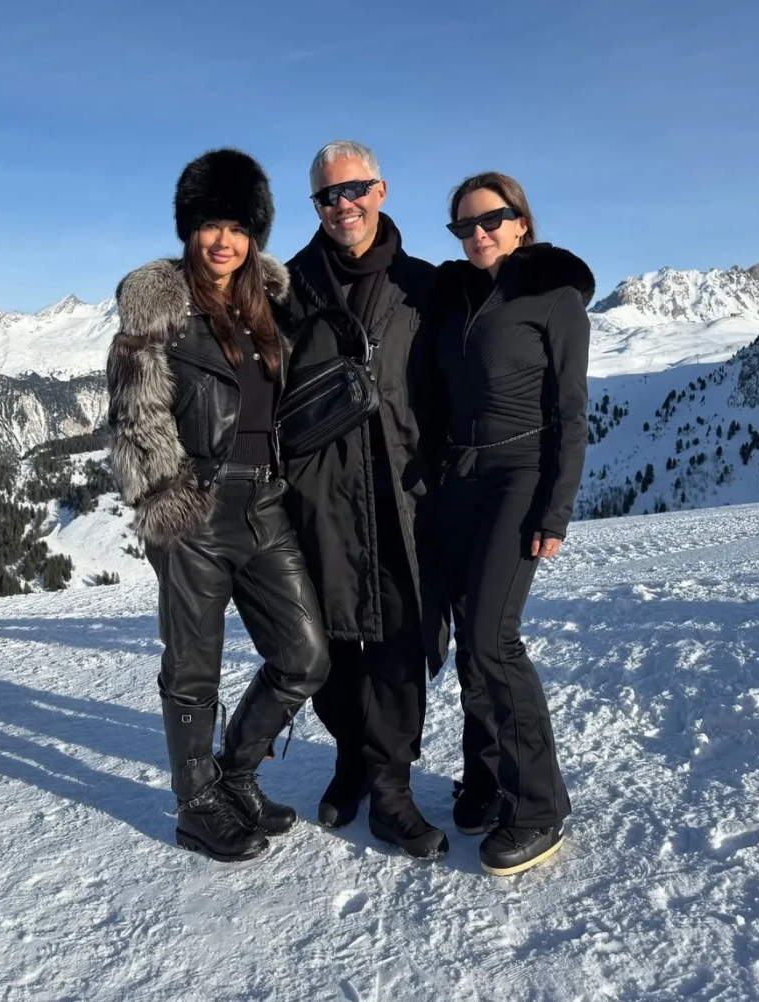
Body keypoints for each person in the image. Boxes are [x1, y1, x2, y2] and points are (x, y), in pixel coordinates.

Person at [106, 148, 329, 864]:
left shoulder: (270, 306)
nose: (223, 240)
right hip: (195, 509)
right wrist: (169, 508)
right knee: (192, 669)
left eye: (237, 227)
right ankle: (196, 803)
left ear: (255, 234)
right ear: (189, 230)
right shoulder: (157, 313)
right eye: (210, 225)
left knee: (304, 656)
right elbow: (135, 420)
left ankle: (235, 774)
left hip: (265, 505)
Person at [282, 140, 449, 859]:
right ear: (315, 205)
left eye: (354, 190)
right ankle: (351, 758)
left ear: (380, 190)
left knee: (399, 643)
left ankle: (390, 788)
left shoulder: (424, 285)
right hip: (318, 495)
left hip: (404, 495)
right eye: (328, 195)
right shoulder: (286, 289)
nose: (342, 205)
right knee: (328, 642)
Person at [434, 171, 594, 876]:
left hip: (519, 477)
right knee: (470, 642)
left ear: (521, 221)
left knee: (494, 639)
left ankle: (539, 805)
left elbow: (572, 412)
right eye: (464, 225)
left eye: (490, 219)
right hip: (459, 484)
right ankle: (489, 777)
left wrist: (555, 509)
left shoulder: (555, 298)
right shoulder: (458, 295)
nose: (478, 233)